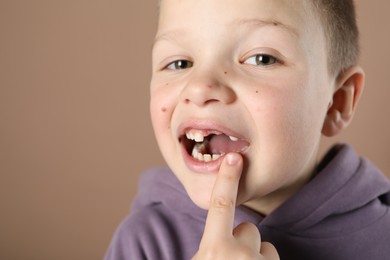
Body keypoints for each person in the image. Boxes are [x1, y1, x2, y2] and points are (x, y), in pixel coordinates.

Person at [105, 0, 390, 259]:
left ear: (336, 102)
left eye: (261, 58)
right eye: (179, 63)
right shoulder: (144, 243)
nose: (200, 87)